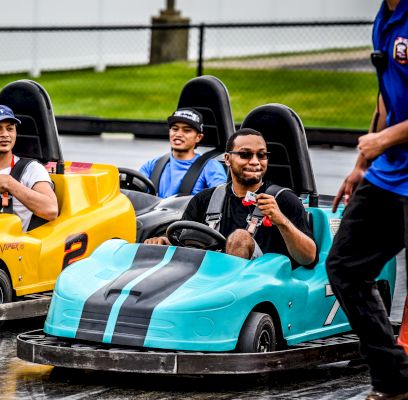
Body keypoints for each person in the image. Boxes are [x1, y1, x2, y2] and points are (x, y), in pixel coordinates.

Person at [326, 1, 408, 398]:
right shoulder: (385, 17)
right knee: (345, 266)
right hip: (389, 176)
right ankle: (392, 381)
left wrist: (383, 140)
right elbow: (385, 100)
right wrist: (361, 165)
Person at [145, 128, 317, 266]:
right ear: (227, 159)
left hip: (265, 283)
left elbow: (308, 257)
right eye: (245, 154)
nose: (255, 161)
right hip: (210, 279)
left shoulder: (285, 200)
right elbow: (185, 244)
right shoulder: (204, 199)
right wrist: (163, 242)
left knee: (240, 238)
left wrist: (281, 220)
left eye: (261, 155)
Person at [139, 107, 227, 198]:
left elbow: (221, 199)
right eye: (175, 129)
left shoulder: (210, 167)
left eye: (186, 130)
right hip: (155, 212)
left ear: (198, 137)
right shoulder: (152, 165)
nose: (178, 134)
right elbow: (135, 190)